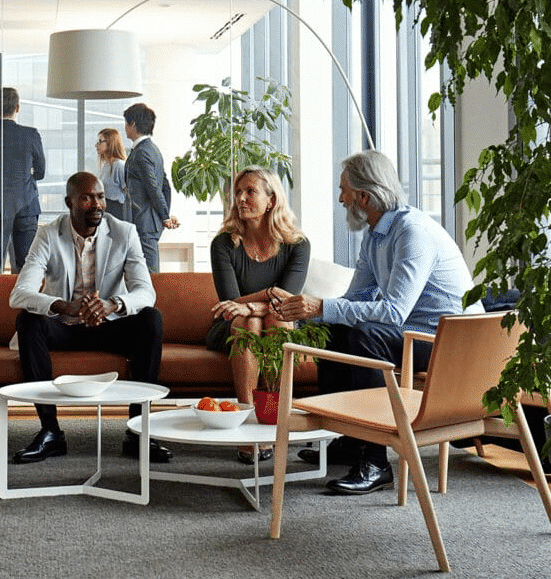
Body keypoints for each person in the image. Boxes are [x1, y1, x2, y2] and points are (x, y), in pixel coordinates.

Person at [274, 149, 483, 494]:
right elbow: (355, 298)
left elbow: (394, 312)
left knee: (366, 337)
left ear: (364, 196)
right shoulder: (374, 234)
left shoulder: (412, 233)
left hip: (449, 343)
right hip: (417, 334)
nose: (340, 198)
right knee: (335, 328)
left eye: (344, 190)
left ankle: (375, 461)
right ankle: (351, 438)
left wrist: (322, 306)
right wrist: (309, 314)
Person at [8, 171, 172, 464]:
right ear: (69, 201)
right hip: (64, 327)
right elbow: (19, 294)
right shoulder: (48, 233)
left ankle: (137, 431)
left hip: (108, 326)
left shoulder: (125, 232)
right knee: (28, 321)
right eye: (87, 198)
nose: (96, 204)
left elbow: (146, 292)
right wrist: (63, 306)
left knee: (152, 318)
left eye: (100, 197)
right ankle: (50, 432)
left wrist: (112, 304)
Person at [206, 166, 310, 464]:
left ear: (271, 200)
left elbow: (287, 303)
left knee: (276, 319)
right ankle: (248, 421)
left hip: (278, 320)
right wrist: (267, 295)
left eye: (249, 191)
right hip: (231, 326)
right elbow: (230, 304)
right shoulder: (223, 244)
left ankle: (272, 421)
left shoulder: (297, 245)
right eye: (237, 192)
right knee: (247, 321)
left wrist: (256, 304)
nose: (240, 198)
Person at [0, 87, 46, 274]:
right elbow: (41, 172)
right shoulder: (31, 134)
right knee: (26, 267)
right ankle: (23, 304)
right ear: (18, 107)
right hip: (26, 206)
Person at [123, 103, 179, 273]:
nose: (124, 128)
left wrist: (164, 216)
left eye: (126, 123)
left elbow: (154, 188)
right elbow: (165, 186)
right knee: (142, 273)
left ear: (133, 124)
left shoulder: (141, 152)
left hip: (144, 222)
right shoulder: (152, 149)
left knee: (149, 275)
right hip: (149, 221)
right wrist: (164, 215)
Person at [95, 128, 128, 220]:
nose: (96, 145)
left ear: (110, 143)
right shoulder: (106, 166)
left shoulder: (119, 165)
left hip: (116, 211)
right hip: (105, 209)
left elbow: (128, 193)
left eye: (100, 141)